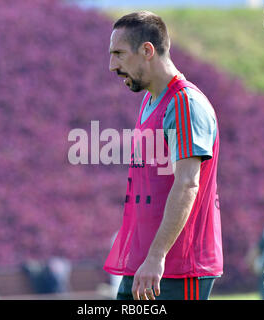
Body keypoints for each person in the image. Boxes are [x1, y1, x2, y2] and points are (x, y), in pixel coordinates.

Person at [103, 11, 223, 300]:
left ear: (147, 51)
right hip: (145, 266)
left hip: (176, 268)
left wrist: (157, 256)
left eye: (118, 54)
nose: (111, 65)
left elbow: (187, 184)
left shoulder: (184, 103)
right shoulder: (150, 100)